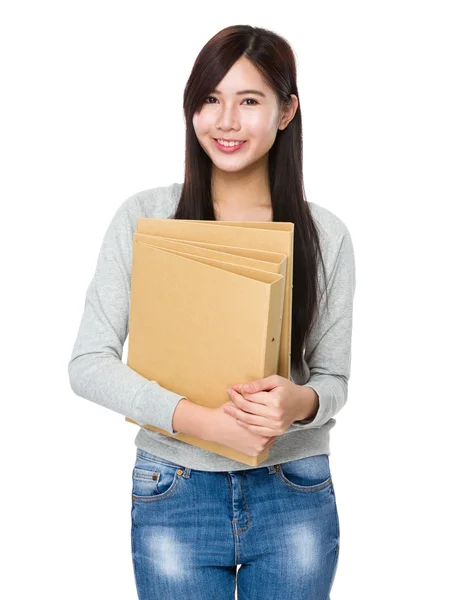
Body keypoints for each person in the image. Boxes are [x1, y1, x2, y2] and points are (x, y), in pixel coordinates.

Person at [68, 24, 356, 600]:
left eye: (249, 101)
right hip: (174, 488)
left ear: (285, 111)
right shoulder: (146, 215)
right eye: (209, 99)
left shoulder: (324, 233)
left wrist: (296, 404)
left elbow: (333, 380)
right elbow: (88, 363)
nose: (225, 121)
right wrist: (201, 423)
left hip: (292, 489)